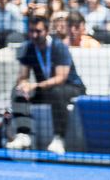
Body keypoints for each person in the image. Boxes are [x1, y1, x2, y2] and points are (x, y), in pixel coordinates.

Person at [8, 13, 86, 154]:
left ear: (47, 31)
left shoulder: (59, 47)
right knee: (17, 90)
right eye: (31, 31)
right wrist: (24, 85)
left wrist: (35, 86)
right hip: (46, 88)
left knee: (57, 91)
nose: (34, 35)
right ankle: (24, 135)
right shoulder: (29, 48)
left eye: (38, 31)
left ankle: (59, 139)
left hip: (72, 87)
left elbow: (61, 78)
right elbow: (22, 76)